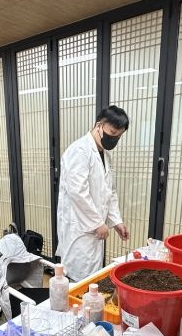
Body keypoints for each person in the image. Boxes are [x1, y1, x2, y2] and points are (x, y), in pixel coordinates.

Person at [56, 105, 130, 281]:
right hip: (79, 229)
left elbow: (109, 192)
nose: (115, 139)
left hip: (95, 230)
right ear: (99, 126)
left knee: (91, 279)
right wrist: (97, 223)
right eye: (113, 133)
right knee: (77, 277)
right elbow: (77, 191)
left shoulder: (105, 155)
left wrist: (116, 222)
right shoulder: (80, 150)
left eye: (119, 136)